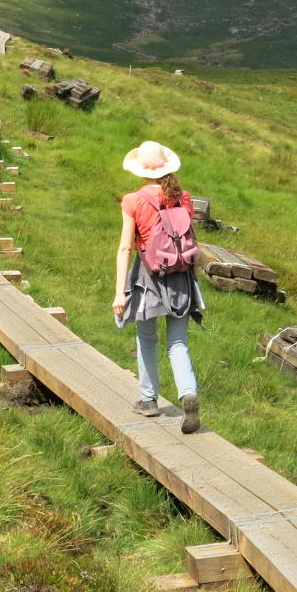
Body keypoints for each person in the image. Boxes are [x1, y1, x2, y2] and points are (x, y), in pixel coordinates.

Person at [112, 141, 203, 432]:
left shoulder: (133, 200)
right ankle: (188, 394)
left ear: (140, 168)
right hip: (180, 277)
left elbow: (126, 247)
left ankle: (149, 400)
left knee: (146, 338)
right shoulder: (183, 198)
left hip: (147, 276)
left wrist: (119, 292)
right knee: (178, 343)